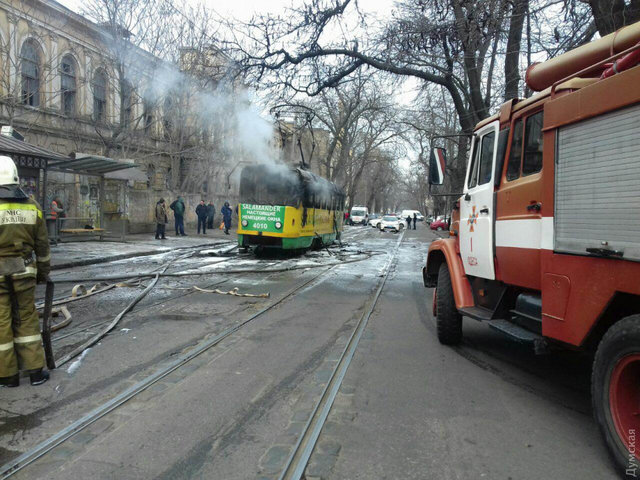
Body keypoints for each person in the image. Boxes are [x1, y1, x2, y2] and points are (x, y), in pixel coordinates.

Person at [0, 156, 51, 387]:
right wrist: (42, 273)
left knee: (1, 322)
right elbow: (43, 246)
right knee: (27, 318)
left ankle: (8, 376)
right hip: (25, 270)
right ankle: (35, 372)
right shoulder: (33, 206)